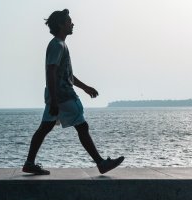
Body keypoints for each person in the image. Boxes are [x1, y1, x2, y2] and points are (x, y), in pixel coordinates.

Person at [23, 9, 124, 175]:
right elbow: (51, 72)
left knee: (45, 128)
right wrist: (55, 100)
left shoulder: (60, 44)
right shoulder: (57, 45)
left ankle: (29, 163)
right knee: (82, 126)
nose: (72, 24)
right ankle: (101, 163)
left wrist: (85, 87)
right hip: (63, 97)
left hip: (58, 96)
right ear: (61, 25)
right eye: (69, 21)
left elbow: (66, 74)